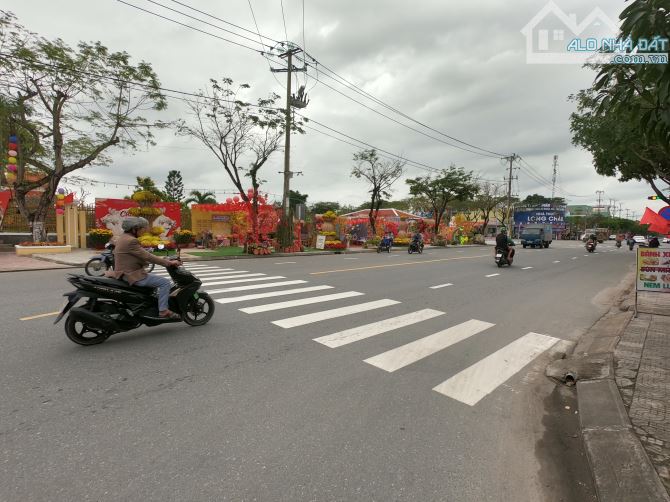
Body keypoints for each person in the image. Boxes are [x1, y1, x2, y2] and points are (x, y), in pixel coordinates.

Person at [106, 217, 181, 319]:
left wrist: (160, 257)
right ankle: (163, 310)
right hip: (131, 275)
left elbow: (141, 253)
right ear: (134, 229)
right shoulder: (131, 240)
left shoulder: (122, 238)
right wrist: (169, 263)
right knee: (165, 283)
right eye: (142, 228)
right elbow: (148, 257)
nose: (144, 231)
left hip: (122, 273)